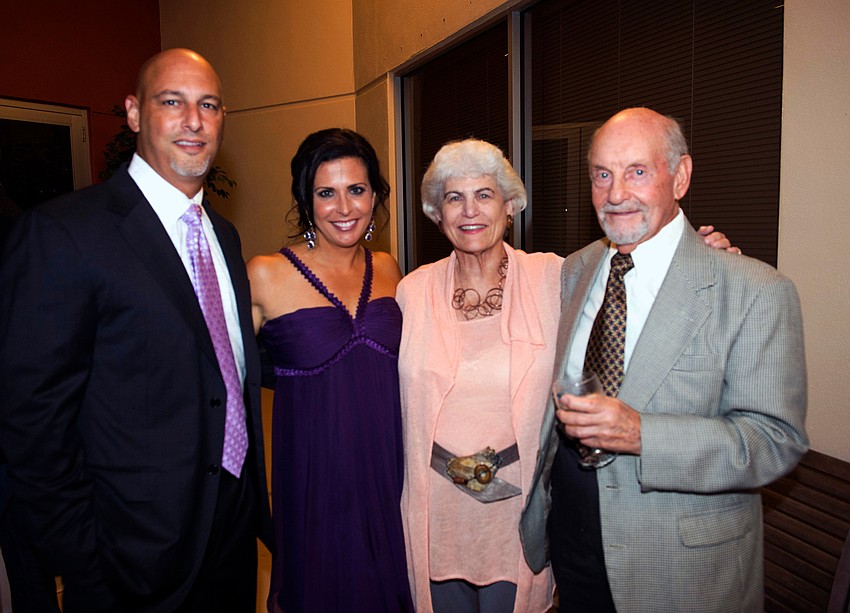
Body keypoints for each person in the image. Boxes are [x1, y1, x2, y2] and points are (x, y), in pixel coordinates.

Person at [397, 138, 734, 613]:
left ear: (510, 206)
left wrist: (691, 254)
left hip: (517, 512)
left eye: (485, 195)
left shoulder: (556, 277)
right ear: (437, 213)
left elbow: (634, 272)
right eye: (454, 197)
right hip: (437, 511)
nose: (469, 210)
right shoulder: (411, 292)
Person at [0, 48, 273, 612]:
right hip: (126, 559)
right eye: (171, 102)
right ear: (133, 113)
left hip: (230, 534)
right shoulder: (63, 233)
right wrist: (82, 559)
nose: (193, 121)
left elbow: (222, 378)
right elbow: (33, 417)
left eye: (209, 105)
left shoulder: (224, 237)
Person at [520, 107, 808, 612]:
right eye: (602, 175)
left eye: (637, 172)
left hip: (680, 571)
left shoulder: (754, 290)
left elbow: (775, 442)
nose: (615, 194)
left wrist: (642, 434)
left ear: (680, 176)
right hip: (573, 552)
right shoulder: (578, 268)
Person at [247, 128, 413, 612]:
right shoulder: (264, 274)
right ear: (305, 198)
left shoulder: (389, 268)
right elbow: (220, 378)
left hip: (388, 471)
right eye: (326, 192)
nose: (344, 208)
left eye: (357, 190)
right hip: (314, 476)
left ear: (376, 195)